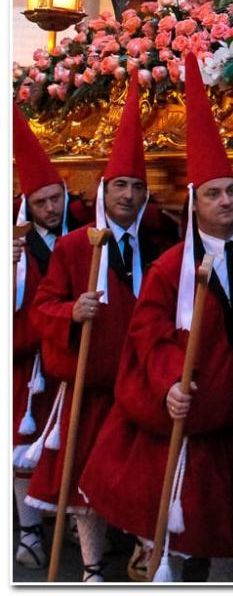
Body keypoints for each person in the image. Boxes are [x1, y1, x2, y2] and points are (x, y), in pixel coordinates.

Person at [79, 53, 233, 582]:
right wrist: (167, 385)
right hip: (184, 412)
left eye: (231, 192)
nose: (225, 201)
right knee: (173, 535)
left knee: (227, 528)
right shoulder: (169, 267)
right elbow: (148, 332)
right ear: (194, 204)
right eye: (214, 194)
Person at [26, 78, 159, 583]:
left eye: (137, 187)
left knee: (139, 474)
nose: (129, 195)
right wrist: (71, 312)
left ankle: (145, 555)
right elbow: (42, 308)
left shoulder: (158, 243)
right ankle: (90, 567)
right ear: (103, 190)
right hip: (90, 387)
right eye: (120, 185)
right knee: (81, 481)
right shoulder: (75, 246)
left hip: (140, 388)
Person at [12, 106, 75, 569]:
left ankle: (68, 517)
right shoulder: (13, 248)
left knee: (66, 445)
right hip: (27, 366)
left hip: (64, 359)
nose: (51, 209)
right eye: (41, 202)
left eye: (56, 199)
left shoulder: (80, 239)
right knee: (21, 447)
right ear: (27, 205)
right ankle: (29, 530)